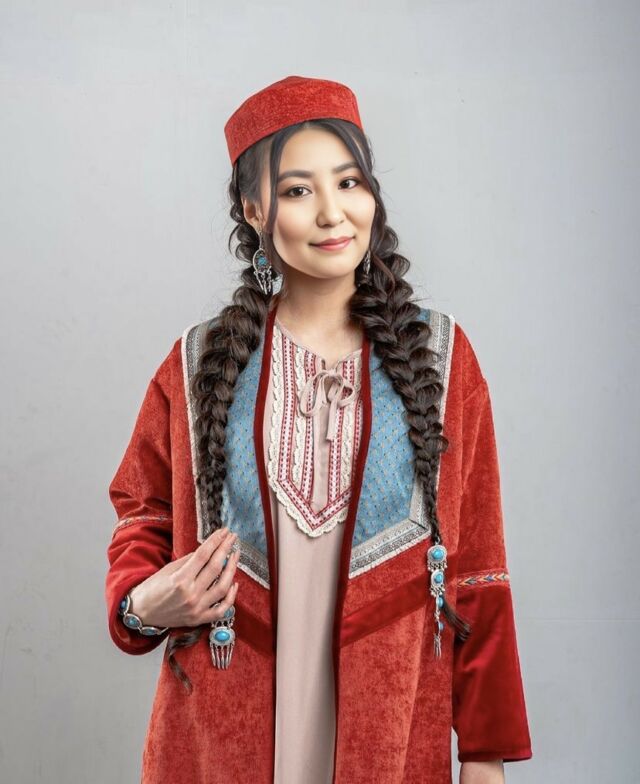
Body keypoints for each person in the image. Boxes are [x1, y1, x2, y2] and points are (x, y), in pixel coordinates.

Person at [105, 75, 533, 784]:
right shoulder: (198, 363)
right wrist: (140, 606)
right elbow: (142, 512)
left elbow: (480, 569)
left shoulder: (439, 357)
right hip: (223, 720)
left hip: (390, 722)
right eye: (299, 190)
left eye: (349, 182)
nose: (334, 213)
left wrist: (484, 757)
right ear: (254, 210)